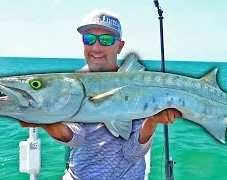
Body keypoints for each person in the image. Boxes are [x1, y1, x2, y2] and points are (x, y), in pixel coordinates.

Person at [20, 10, 182, 180]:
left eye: (106, 40)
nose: (96, 47)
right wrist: (46, 121)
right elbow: (77, 137)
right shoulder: (72, 86)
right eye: (89, 39)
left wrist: (152, 120)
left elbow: (132, 153)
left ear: (119, 46)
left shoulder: (138, 84)